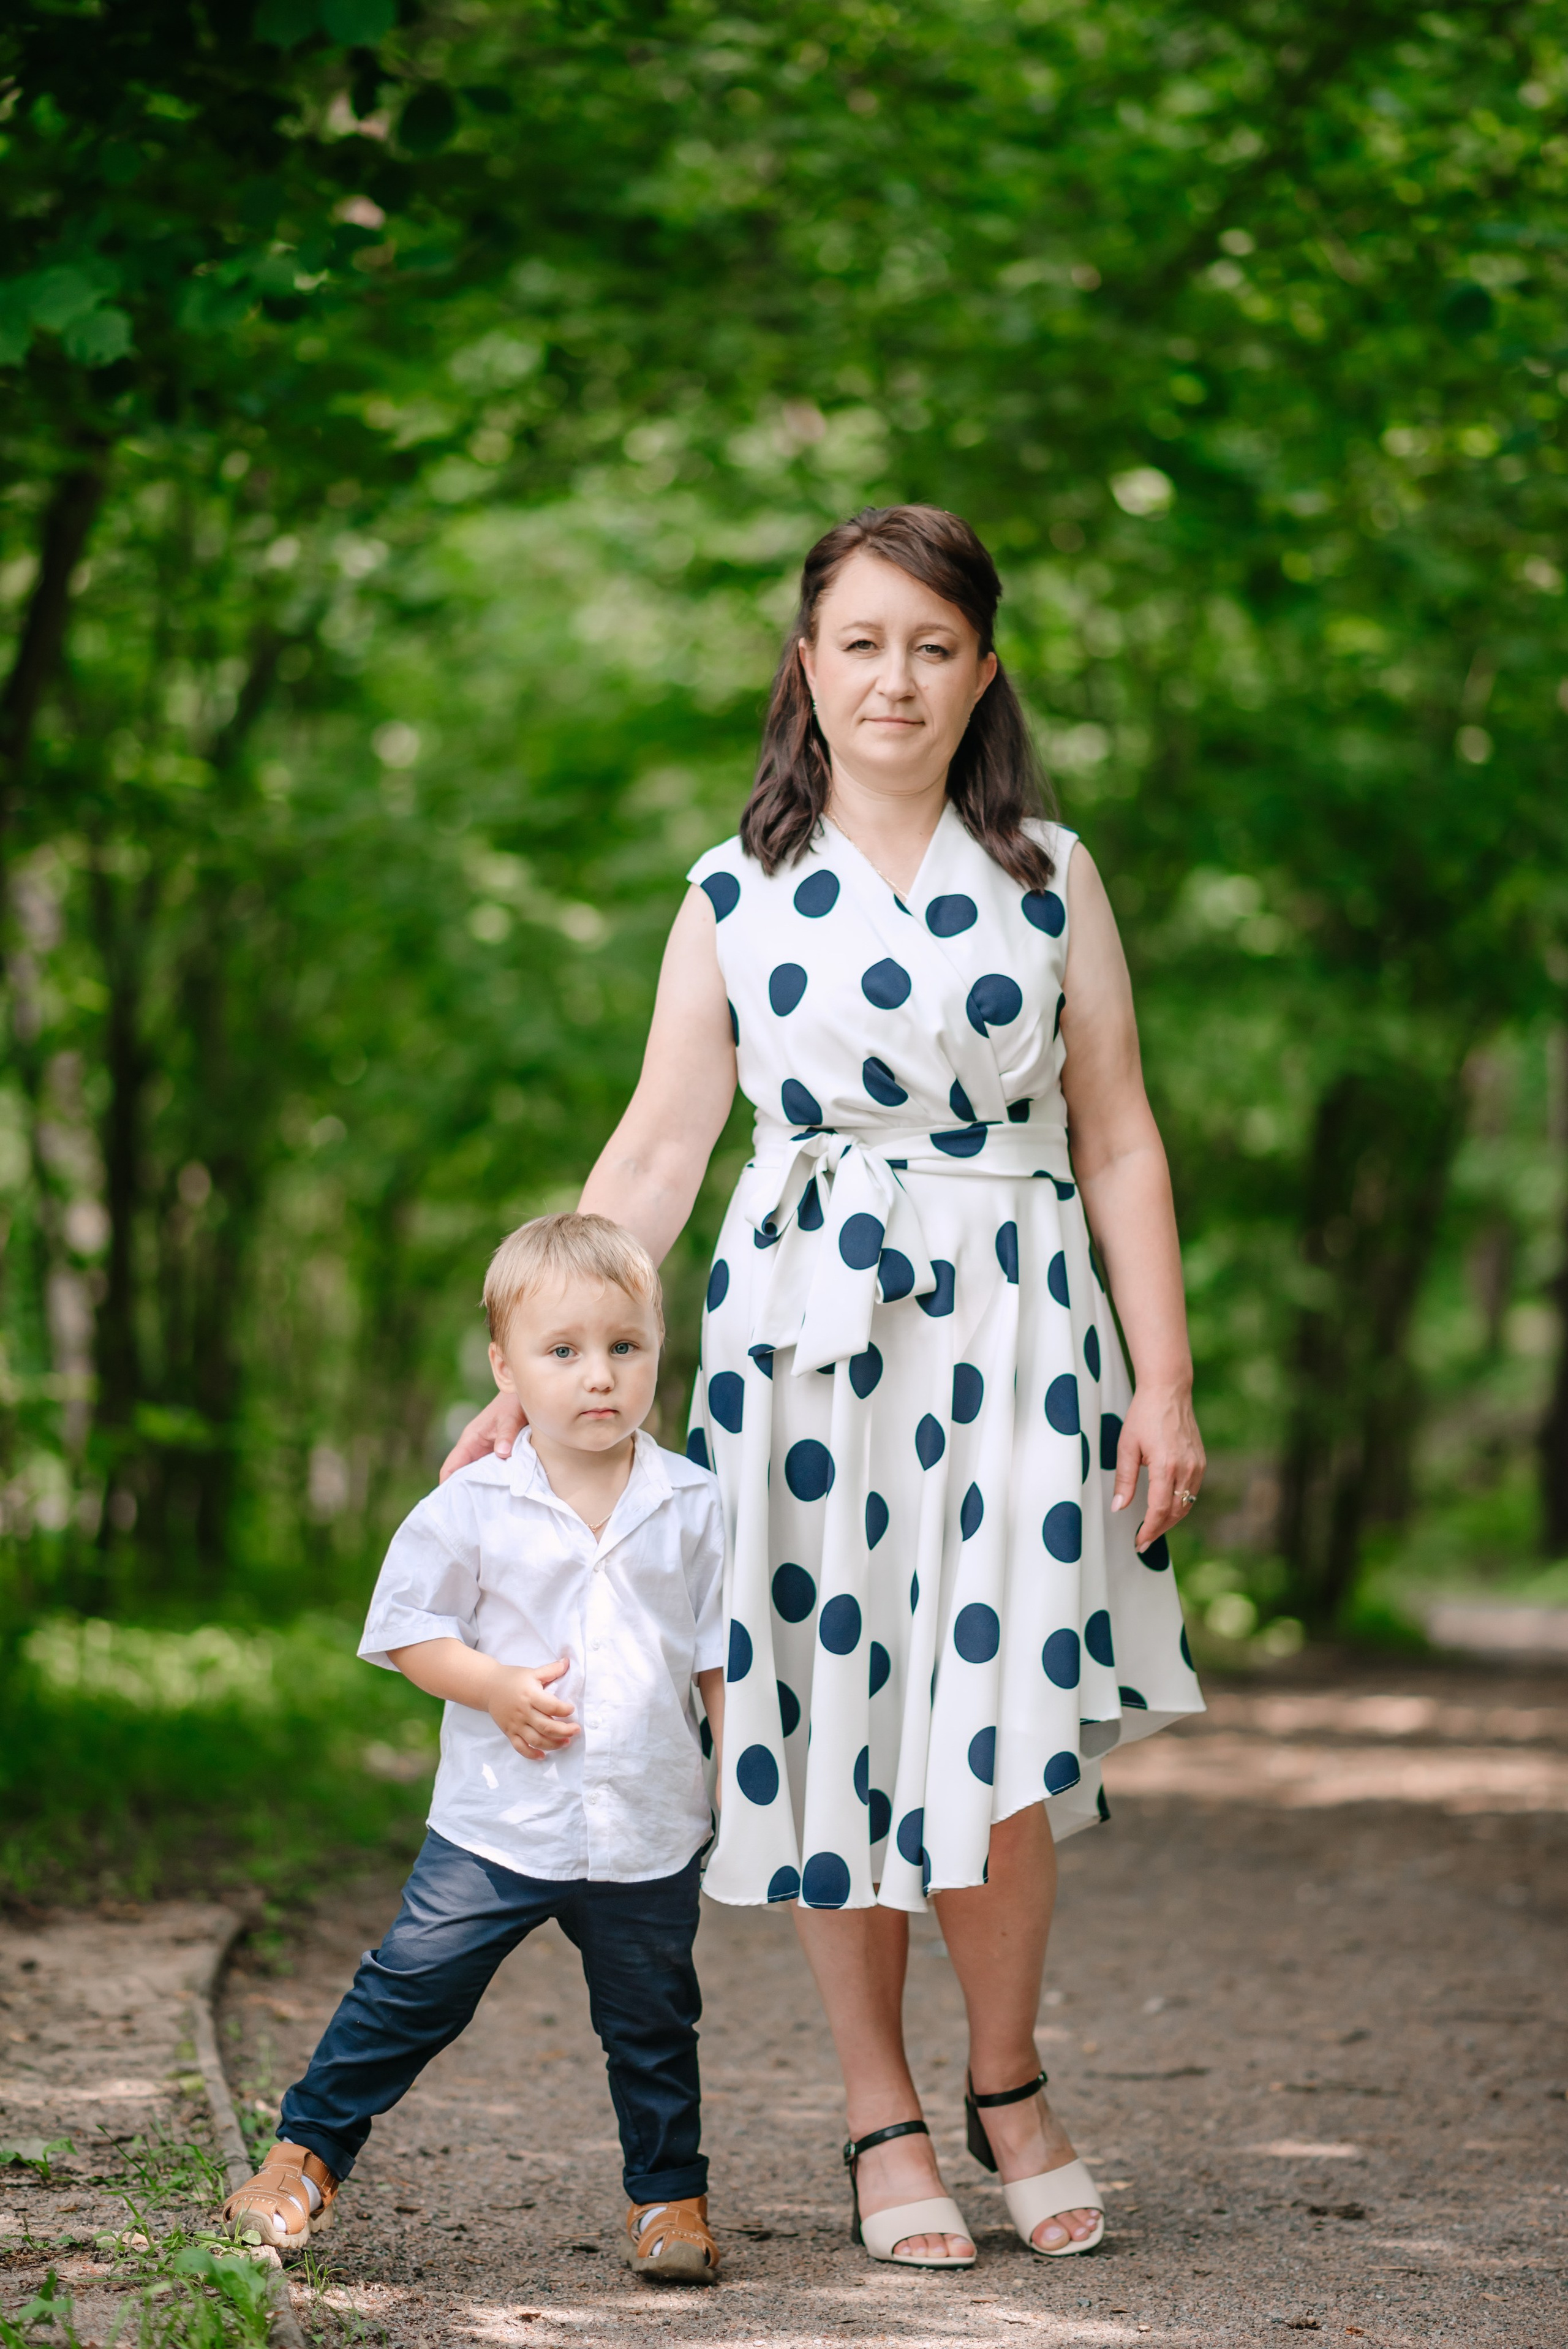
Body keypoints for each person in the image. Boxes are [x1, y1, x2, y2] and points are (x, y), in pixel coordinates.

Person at [444, 505, 1206, 2269]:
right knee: (835, 1720)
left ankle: (1009, 2081)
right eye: (861, 641)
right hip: (808, 1357)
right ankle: (880, 2110)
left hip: (1021, 1335)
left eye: (934, 645)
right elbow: (656, 1150)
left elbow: (1119, 1135)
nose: (896, 676)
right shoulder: (734, 889)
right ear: (808, 663)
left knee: (1003, 1713)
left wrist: (1160, 1380)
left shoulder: (1052, 873)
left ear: (982, 671)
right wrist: (527, 1361)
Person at [224, 1214, 728, 2284]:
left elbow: (719, 1656)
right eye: (563, 1351)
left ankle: (669, 2200)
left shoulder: (693, 1503)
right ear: (505, 1366)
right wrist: (493, 1685)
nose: (599, 1375)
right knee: (410, 1985)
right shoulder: (476, 1502)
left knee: (653, 2022)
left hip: (647, 1825)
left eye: (624, 1347)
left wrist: (738, 1774)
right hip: (501, 1819)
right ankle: (302, 2156)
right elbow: (409, 1628)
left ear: (657, 1351)